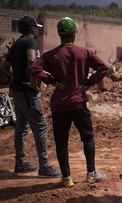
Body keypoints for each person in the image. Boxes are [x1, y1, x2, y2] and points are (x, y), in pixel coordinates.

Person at [29, 17, 108, 188]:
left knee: (61, 141)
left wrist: (50, 80)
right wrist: (88, 83)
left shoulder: (50, 55)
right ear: (74, 34)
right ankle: (91, 173)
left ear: (59, 34)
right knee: (87, 137)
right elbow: (103, 68)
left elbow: (33, 68)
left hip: (59, 104)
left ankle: (66, 178)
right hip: (78, 102)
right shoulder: (85, 53)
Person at [0, 15, 61, 177]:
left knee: (21, 127)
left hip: (16, 90)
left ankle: (20, 164)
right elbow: (32, 62)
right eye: (35, 28)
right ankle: (44, 166)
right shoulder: (29, 42)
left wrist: (14, 77)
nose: (36, 31)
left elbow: (4, 66)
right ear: (31, 29)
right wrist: (33, 83)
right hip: (27, 92)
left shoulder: (16, 43)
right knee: (41, 126)